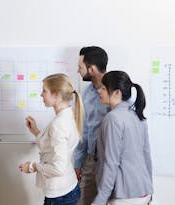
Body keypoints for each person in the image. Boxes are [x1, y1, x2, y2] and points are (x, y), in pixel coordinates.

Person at [19, 73, 84, 205]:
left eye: (44, 90)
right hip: (68, 188)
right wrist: (36, 131)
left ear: (57, 95)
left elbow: (58, 168)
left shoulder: (58, 124)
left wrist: (32, 167)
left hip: (60, 195)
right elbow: (53, 148)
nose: (41, 94)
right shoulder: (68, 115)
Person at [92, 71, 153, 205]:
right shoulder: (138, 115)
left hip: (124, 196)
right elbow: (146, 156)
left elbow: (111, 163)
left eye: (103, 88)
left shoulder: (113, 118)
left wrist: (100, 200)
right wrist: (150, 191)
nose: (99, 91)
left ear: (117, 93)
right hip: (144, 193)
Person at [74, 46, 110, 205]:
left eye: (80, 67)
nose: (77, 70)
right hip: (90, 161)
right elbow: (83, 131)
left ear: (92, 69)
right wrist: (77, 164)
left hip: (110, 161)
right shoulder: (85, 94)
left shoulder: (117, 91)